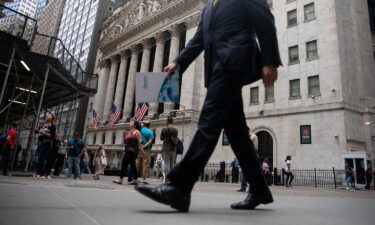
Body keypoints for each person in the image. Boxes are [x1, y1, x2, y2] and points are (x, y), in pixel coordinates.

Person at [135, 0, 281, 212]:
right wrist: (178, 62)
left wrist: (270, 61)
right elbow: (199, 39)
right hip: (217, 68)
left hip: (235, 61)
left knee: (208, 122)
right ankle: (259, 188)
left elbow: (265, 20)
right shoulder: (209, 7)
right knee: (237, 133)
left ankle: (178, 187)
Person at [113, 121, 142, 185]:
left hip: (132, 150)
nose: (130, 123)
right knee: (132, 165)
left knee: (124, 163)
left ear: (134, 125)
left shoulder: (136, 132)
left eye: (131, 123)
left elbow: (140, 141)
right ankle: (135, 180)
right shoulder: (130, 132)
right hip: (128, 149)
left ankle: (120, 179)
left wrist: (140, 149)